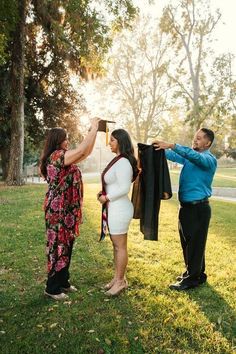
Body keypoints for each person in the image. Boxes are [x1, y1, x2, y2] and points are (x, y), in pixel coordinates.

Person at [40, 118, 100, 301]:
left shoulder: (63, 155)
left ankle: (63, 281)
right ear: (57, 140)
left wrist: (93, 131)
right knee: (58, 246)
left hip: (66, 210)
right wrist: (94, 127)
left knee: (67, 244)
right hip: (57, 210)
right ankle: (52, 288)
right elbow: (82, 150)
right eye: (65, 138)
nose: (68, 141)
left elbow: (85, 152)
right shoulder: (57, 156)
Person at [154, 128, 217, 291]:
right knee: (189, 243)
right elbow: (174, 155)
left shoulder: (208, 159)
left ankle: (191, 279)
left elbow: (191, 155)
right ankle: (197, 274)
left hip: (199, 209)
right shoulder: (191, 158)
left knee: (195, 244)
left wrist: (172, 145)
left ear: (208, 143)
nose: (195, 140)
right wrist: (159, 148)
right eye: (195, 137)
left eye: (199, 138)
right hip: (186, 208)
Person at [97, 129, 138, 296]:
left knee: (120, 246)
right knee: (116, 245)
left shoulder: (123, 162)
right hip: (114, 207)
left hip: (120, 209)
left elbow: (124, 188)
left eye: (112, 140)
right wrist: (103, 194)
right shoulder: (119, 160)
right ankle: (117, 277)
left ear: (121, 142)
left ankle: (120, 282)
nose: (110, 143)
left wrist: (107, 197)